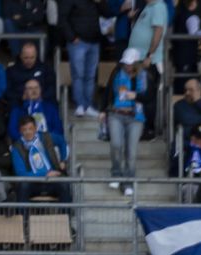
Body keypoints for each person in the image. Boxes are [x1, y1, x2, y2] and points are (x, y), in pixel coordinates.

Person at [108, 50, 148, 194]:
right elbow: (108, 91)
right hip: (116, 114)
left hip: (135, 117)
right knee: (116, 145)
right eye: (125, 63)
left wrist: (136, 95)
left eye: (130, 63)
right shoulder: (117, 72)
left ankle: (128, 181)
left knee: (131, 152)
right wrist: (102, 110)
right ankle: (116, 173)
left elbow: (149, 97)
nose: (127, 66)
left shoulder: (143, 75)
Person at [58, 1, 104, 118]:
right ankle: (80, 105)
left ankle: (88, 106)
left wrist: (101, 2)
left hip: (94, 42)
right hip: (78, 42)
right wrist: (72, 37)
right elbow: (62, 18)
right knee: (78, 75)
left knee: (90, 76)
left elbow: (106, 13)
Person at [11, 113, 70, 201]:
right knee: (23, 186)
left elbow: (62, 141)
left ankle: (67, 214)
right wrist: (45, 174)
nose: (28, 132)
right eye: (24, 130)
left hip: (52, 179)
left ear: (35, 128)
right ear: (20, 131)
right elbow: (21, 174)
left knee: (64, 184)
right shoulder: (16, 147)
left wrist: (63, 160)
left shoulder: (46, 137)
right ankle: (23, 215)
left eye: (30, 129)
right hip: (32, 183)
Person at [3, 41, 54, 105]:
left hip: (42, 103)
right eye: (26, 58)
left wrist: (41, 96)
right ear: (21, 56)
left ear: (36, 55)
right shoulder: (11, 71)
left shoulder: (45, 69)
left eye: (32, 57)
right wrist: (21, 97)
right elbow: (7, 92)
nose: (29, 61)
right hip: (19, 105)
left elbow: (51, 88)